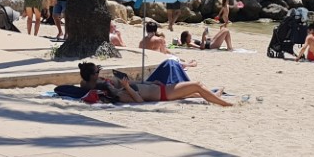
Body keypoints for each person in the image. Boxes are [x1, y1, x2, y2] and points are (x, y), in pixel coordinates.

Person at [75, 62, 235, 107]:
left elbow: (83, 83)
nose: (100, 74)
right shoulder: (118, 93)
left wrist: (150, 82)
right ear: (92, 76)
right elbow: (139, 101)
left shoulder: (112, 85)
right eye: (97, 72)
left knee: (195, 94)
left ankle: (216, 95)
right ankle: (225, 103)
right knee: (197, 85)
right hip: (164, 93)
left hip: (159, 87)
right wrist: (128, 87)